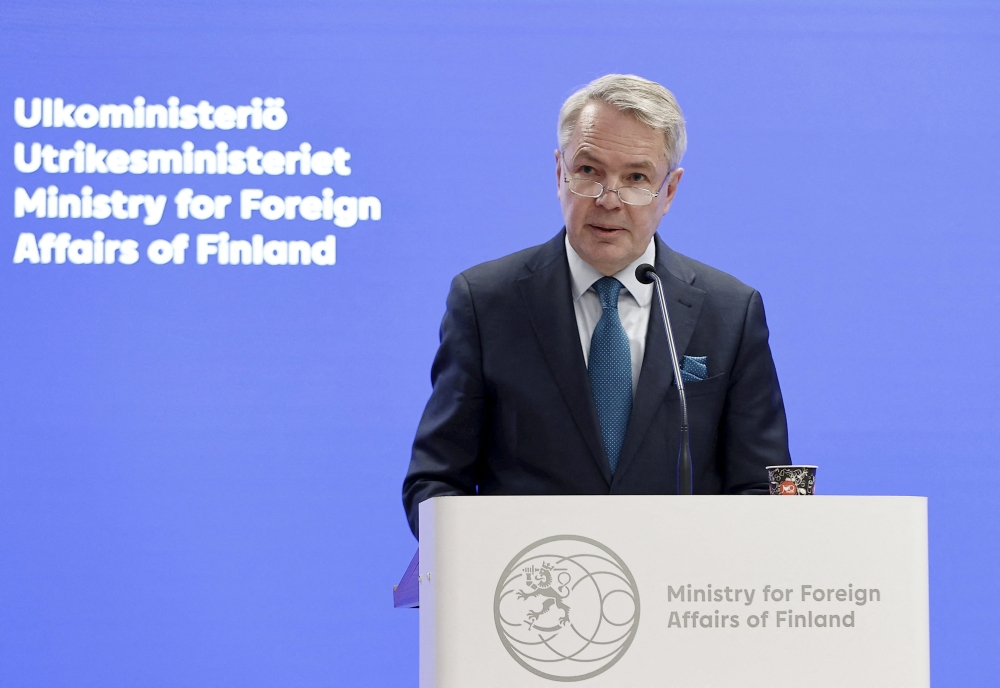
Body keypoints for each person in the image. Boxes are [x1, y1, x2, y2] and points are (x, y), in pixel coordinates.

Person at [402, 74, 790, 537]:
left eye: (636, 178)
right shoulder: (487, 302)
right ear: (559, 173)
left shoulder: (731, 311)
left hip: (681, 595)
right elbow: (436, 480)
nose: (609, 200)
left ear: (669, 192)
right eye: (589, 172)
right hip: (535, 592)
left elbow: (763, 487)